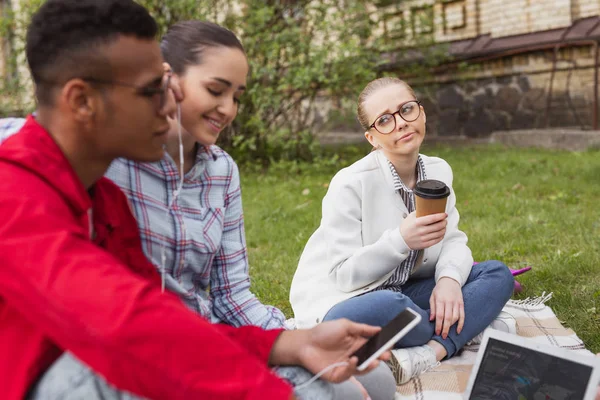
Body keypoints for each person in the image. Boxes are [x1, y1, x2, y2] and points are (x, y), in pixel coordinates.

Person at [0, 1, 391, 399]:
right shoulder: (12, 195)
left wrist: (290, 343)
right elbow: (126, 324)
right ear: (82, 101)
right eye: (155, 90)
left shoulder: (108, 201)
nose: (170, 105)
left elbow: (166, 322)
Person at [289, 76, 515, 385]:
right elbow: (343, 274)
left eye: (407, 110)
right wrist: (401, 240)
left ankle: (432, 350)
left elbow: (453, 240)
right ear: (372, 138)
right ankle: (468, 324)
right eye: (384, 120)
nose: (400, 123)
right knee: (392, 307)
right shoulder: (351, 184)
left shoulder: (439, 171)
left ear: (421, 112)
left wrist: (448, 282)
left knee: (496, 274)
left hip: (406, 288)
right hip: (348, 300)